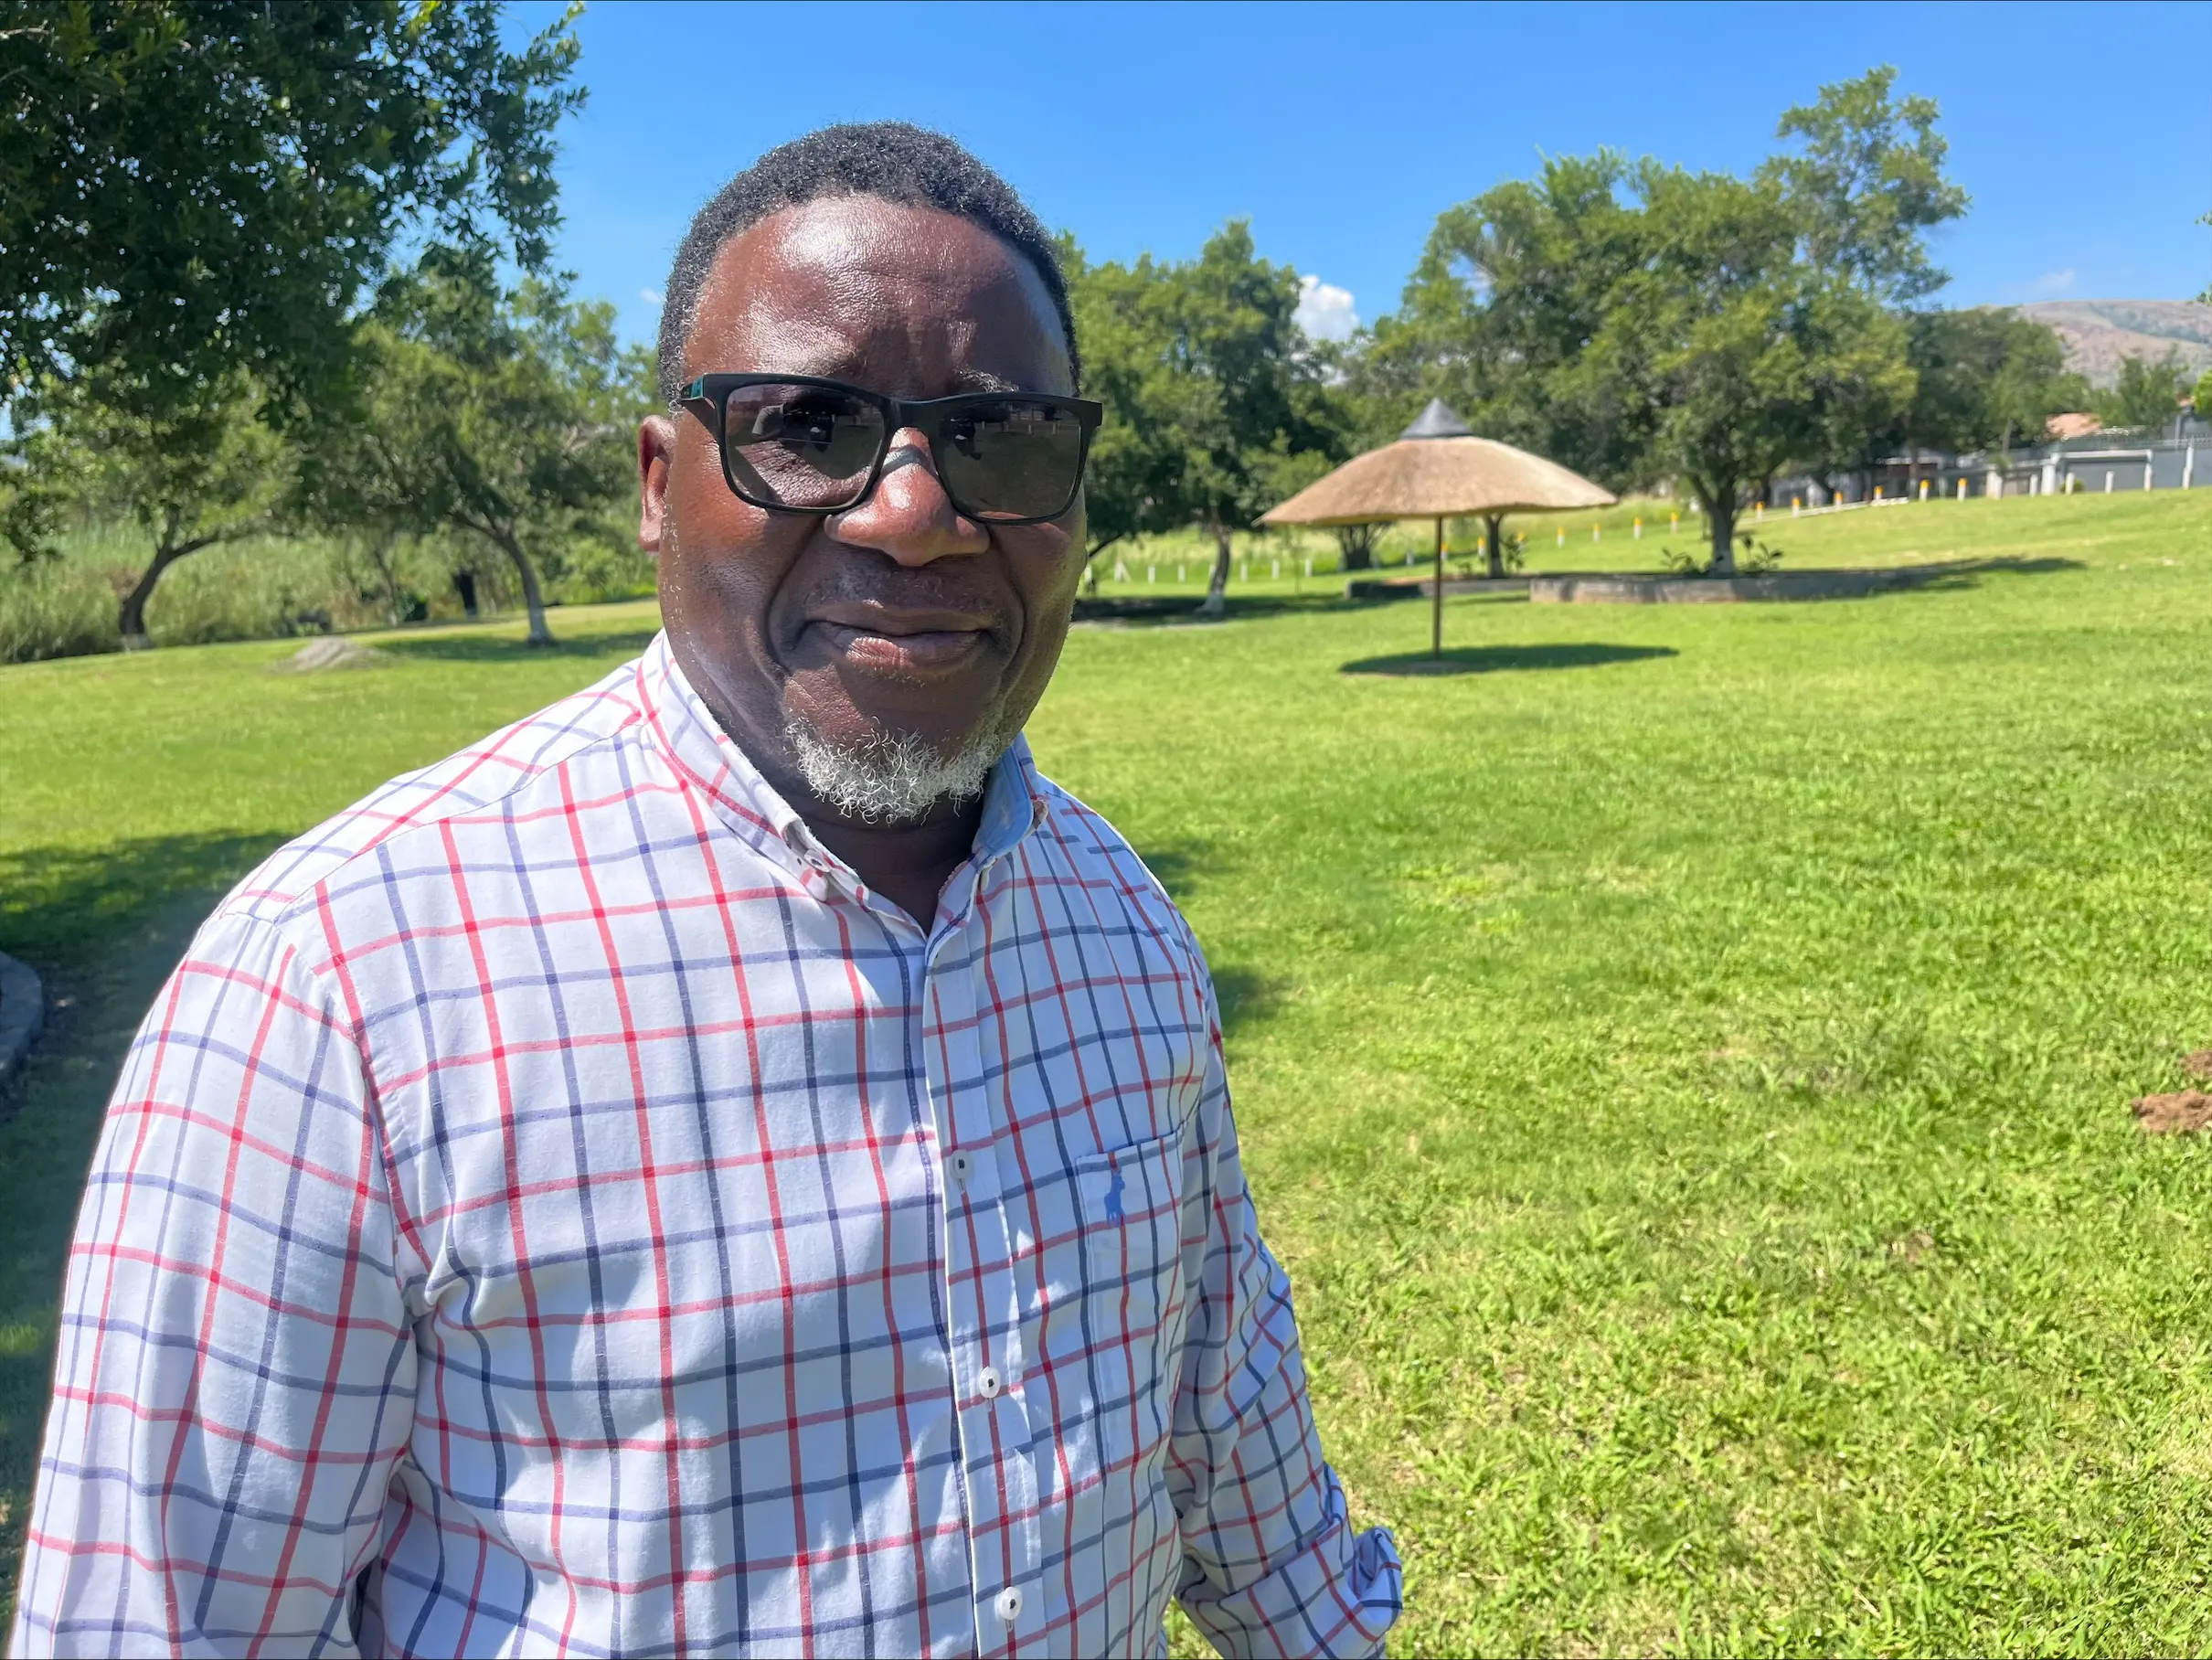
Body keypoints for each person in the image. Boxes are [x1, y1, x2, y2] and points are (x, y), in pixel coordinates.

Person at [11, 123, 1400, 1659]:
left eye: (998, 436)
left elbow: (1228, 1433)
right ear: (662, 486)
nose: (912, 510)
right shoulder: (336, 986)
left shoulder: (1123, 932)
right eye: (807, 424)